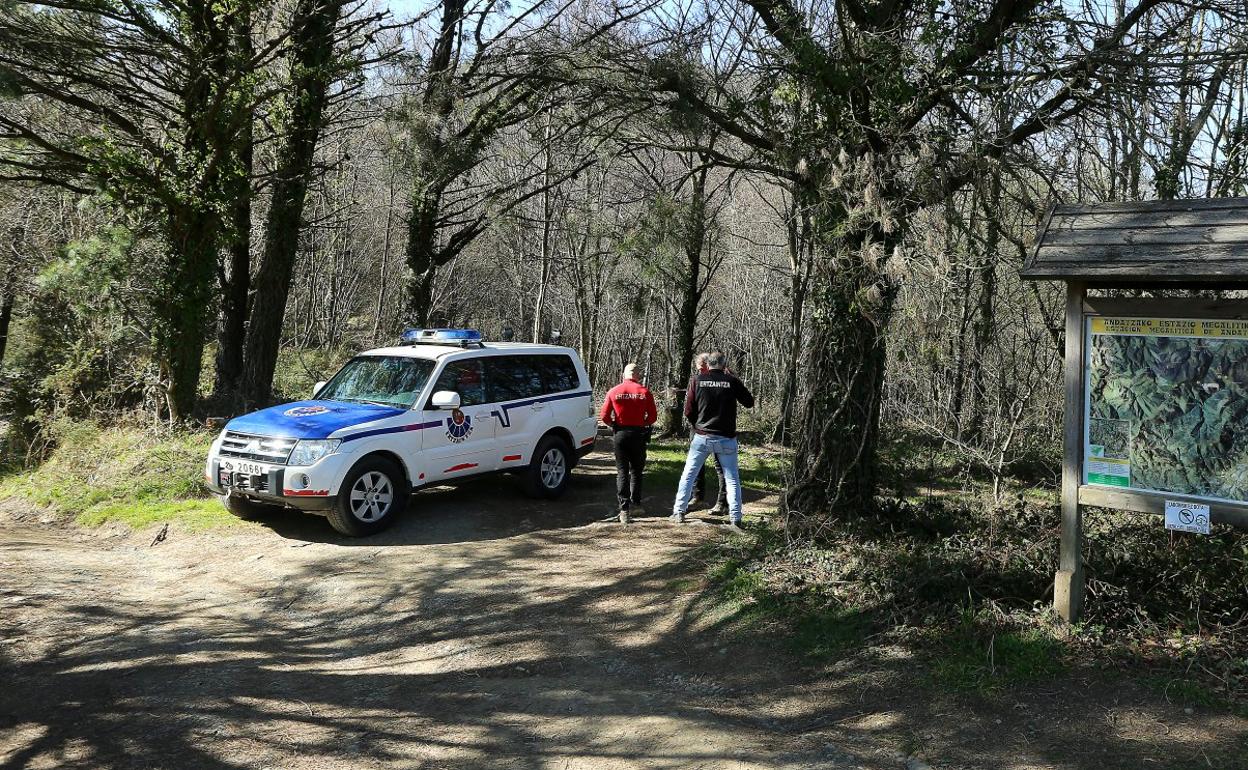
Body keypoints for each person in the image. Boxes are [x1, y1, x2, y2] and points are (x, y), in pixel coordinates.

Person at [671, 350, 754, 528]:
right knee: (732, 478)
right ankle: (736, 517)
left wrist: (698, 425)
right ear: (724, 364)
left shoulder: (697, 380)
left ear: (708, 364)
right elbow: (749, 401)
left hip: (702, 436)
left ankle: (679, 511)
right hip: (726, 438)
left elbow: (688, 410)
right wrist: (734, 377)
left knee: (689, 474)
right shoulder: (731, 381)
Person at [599, 363, 658, 524]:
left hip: (620, 433)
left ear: (624, 375)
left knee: (622, 471)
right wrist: (642, 422)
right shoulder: (645, 392)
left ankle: (624, 509)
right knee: (637, 471)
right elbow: (653, 417)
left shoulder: (614, 391)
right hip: (638, 433)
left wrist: (613, 424)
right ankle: (636, 504)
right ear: (638, 375)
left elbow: (604, 416)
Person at [689, 353, 728, 514]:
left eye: (702, 369)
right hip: (698, 428)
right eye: (698, 370)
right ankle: (697, 497)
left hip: (720, 429)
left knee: (722, 467)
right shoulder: (697, 380)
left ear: (709, 365)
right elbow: (689, 407)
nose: (700, 372)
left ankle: (722, 502)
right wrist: (695, 424)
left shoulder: (726, 378)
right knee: (695, 465)